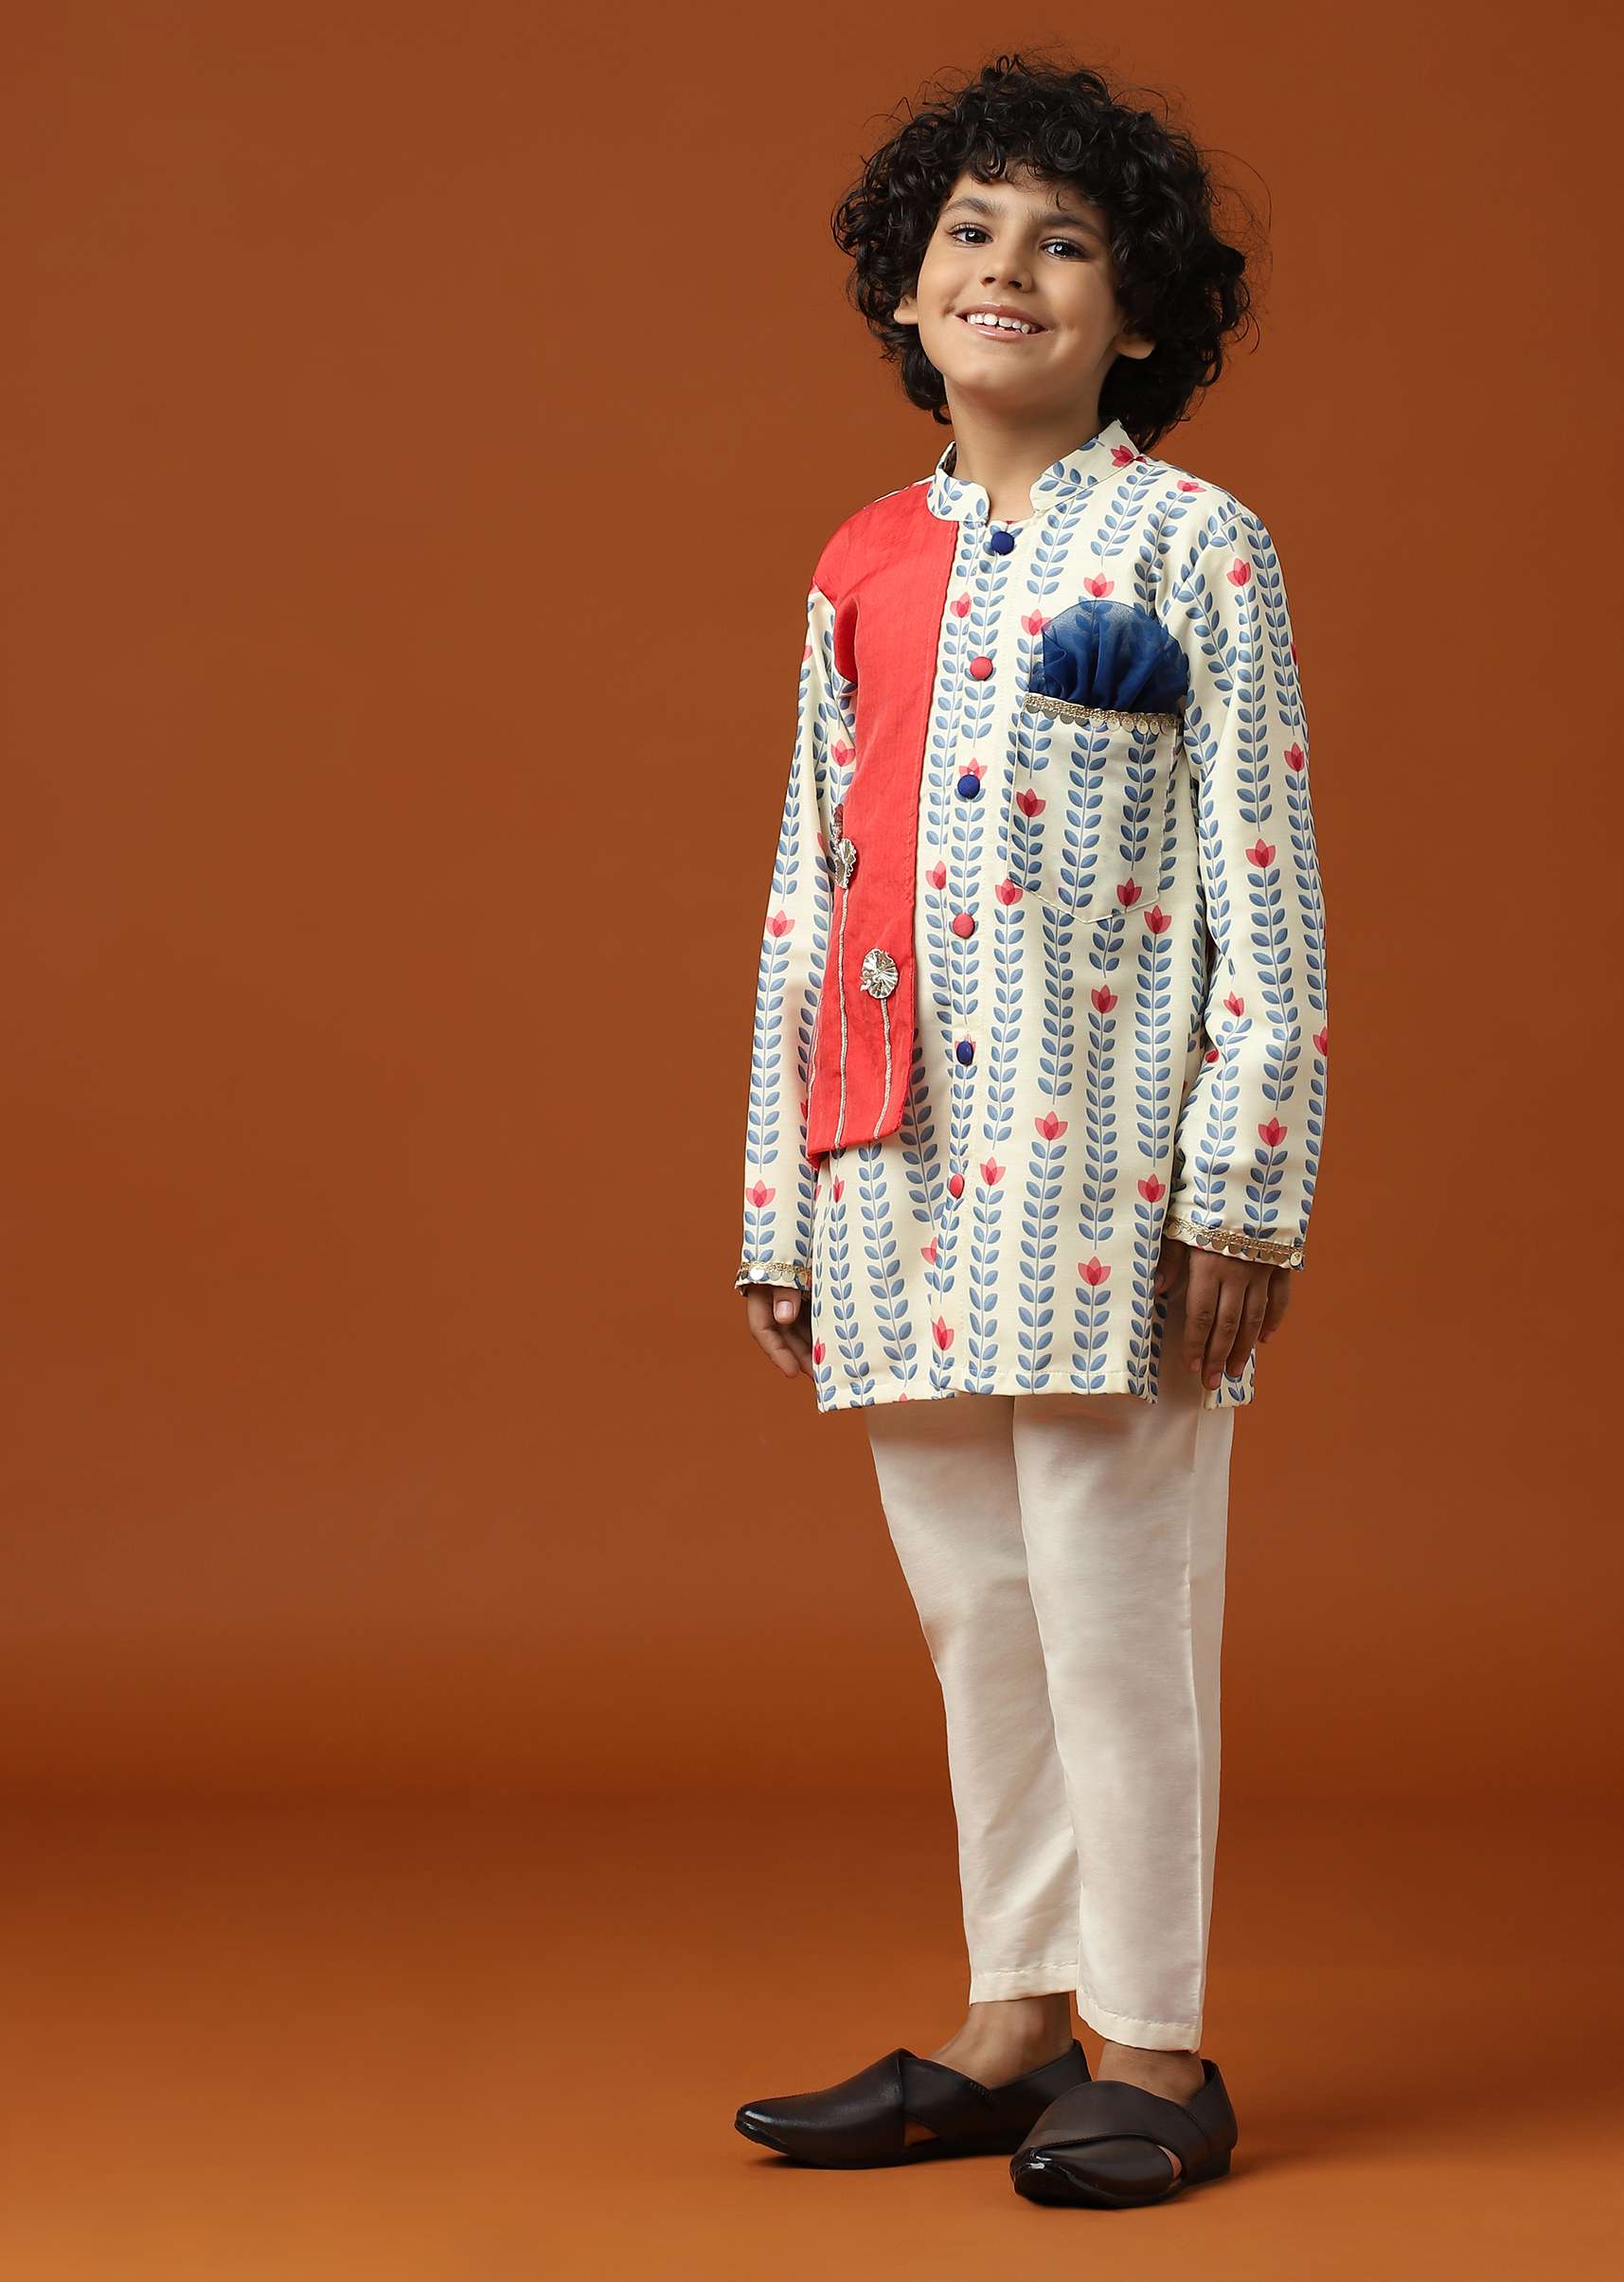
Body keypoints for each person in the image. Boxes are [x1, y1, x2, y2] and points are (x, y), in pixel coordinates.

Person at [731, 51, 1331, 2210]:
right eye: (971, 232)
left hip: (1110, 1184)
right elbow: (809, 889)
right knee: (978, 1613)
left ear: (1137, 312)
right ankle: (1016, 2016)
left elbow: (1266, 880)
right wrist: (780, 1198)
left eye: (1065, 242)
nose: (1009, 268)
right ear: (907, 289)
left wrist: (1247, 1177)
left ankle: (1153, 2042)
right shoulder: (858, 564)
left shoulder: (1197, 547)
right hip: (893, 1169)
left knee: (1114, 1608)